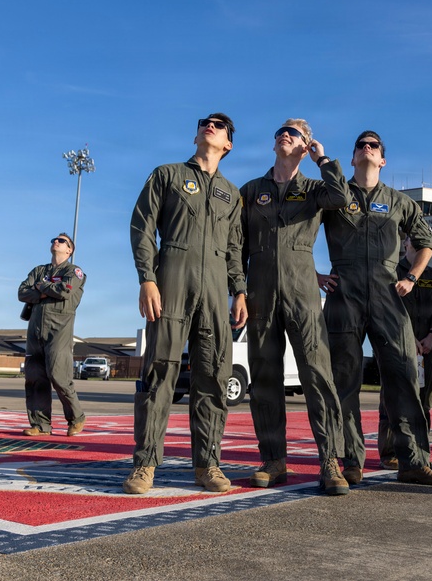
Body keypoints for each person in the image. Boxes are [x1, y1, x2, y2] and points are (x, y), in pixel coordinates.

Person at [123, 113, 248, 495]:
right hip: (172, 279)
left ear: (228, 144)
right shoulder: (168, 175)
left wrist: (239, 289)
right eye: (204, 122)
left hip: (213, 290)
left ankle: (207, 465)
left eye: (219, 125)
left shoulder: (232, 193)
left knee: (213, 374)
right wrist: (147, 278)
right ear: (196, 135)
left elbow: (234, 248)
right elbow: (142, 227)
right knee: (160, 371)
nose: (210, 125)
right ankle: (145, 464)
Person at [321, 131, 432, 487]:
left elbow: (425, 243)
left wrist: (411, 276)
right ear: (352, 158)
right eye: (360, 145)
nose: (366, 148)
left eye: (373, 145)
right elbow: (297, 234)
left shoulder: (398, 202)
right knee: (343, 380)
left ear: (383, 160)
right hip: (343, 292)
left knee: (403, 374)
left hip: (387, 293)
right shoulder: (335, 195)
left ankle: (412, 461)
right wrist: (314, 274)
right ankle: (350, 462)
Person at [239, 119, 350, 496]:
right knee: (264, 377)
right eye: (280, 131)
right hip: (260, 291)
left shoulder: (316, 189)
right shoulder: (252, 190)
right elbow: (236, 246)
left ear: (305, 146)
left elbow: (342, 199)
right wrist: (237, 289)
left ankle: (330, 461)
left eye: (294, 133)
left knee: (317, 375)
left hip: (302, 291)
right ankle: (273, 459)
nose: (284, 135)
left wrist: (324, 160)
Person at [375, 235, 432, 470]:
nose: (417, 246)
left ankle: (419, 449)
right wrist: (409, 339)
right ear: (405, 243)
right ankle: (389, 453)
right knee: (391, 399)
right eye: (413, 241)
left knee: (424, 400)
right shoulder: (393, 272)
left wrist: (431, 335)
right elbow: (387, 308)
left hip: (426, 348)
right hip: (397, 344)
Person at [17, 233, 87, 436]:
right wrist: (46, 291)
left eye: (61, 241)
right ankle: (40, 424)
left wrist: (40, 287)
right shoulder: (39, 270)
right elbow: (22, 292)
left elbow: (66, 290)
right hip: (35, 330)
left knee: (58, 375)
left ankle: (76, 417)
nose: (55, 242)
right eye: (54, 240)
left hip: (59, 329)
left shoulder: (74, 271)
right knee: (35, 376)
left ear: (69, 249)